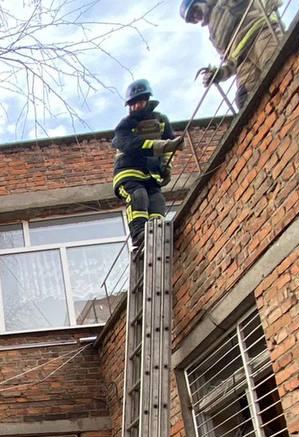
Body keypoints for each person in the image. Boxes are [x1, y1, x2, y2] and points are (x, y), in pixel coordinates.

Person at [112, 79, 184, 250]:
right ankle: (139, 234)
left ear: (147, 100)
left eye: (139, 102)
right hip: (128, 174)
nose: (136, 106)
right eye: (133, 103)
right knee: (138, 196)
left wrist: (167, 165)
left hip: (151, 174)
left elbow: (169, 144)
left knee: (157, 201)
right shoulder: (126, 125)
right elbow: (131, 145)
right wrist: (161, 146)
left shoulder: (161, 120)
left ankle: (158, 234)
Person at [181, 0, 284, 110]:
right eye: (192, 18)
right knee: (244, 100)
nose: (196, 16)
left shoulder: (225, 2)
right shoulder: (213, 37)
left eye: (195, 10)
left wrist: (271, 6)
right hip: (242, 62)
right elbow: (230, 62)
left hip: (260, 35)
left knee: (278, 64)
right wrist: (219, 74)